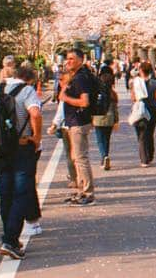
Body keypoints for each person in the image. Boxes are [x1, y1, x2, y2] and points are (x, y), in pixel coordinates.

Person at [0, 64, 44, 260]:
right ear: (29, 79)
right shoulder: (27, 91)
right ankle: (9, 240)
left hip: (1, 150)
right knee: (21, 193)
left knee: (5, 194)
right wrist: (37, 137)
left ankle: (10, 239)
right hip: (22, 147)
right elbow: (36, 114)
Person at [59, 49, 95, 205]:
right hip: (75, 121)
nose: (69, 62)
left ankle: (87, 192)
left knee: (80, 158)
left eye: (72, 59)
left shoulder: (80, 78)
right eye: (67, 59)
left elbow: (84, 102)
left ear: (81, 60)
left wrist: (66, 98)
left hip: (79, 121)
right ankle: (82, 190)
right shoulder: (76, 77)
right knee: (76, 157)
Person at [132, 61, 156, 166]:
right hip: (152, 110)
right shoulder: (154, 83)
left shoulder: (136, 83)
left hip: (140, 110)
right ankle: (150, 154)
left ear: (140, 70)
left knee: (141, 135)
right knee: (150, 133)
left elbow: (133, 98)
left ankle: (144, 159)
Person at [93, 66, 120, 171]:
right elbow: (115, 109)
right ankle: (105, 156)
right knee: (107, 139)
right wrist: (116, 121)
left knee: (100, 140)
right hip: (110, 118)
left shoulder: (97, 92)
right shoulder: (113, 94)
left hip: (98, 117)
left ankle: (104, 156)